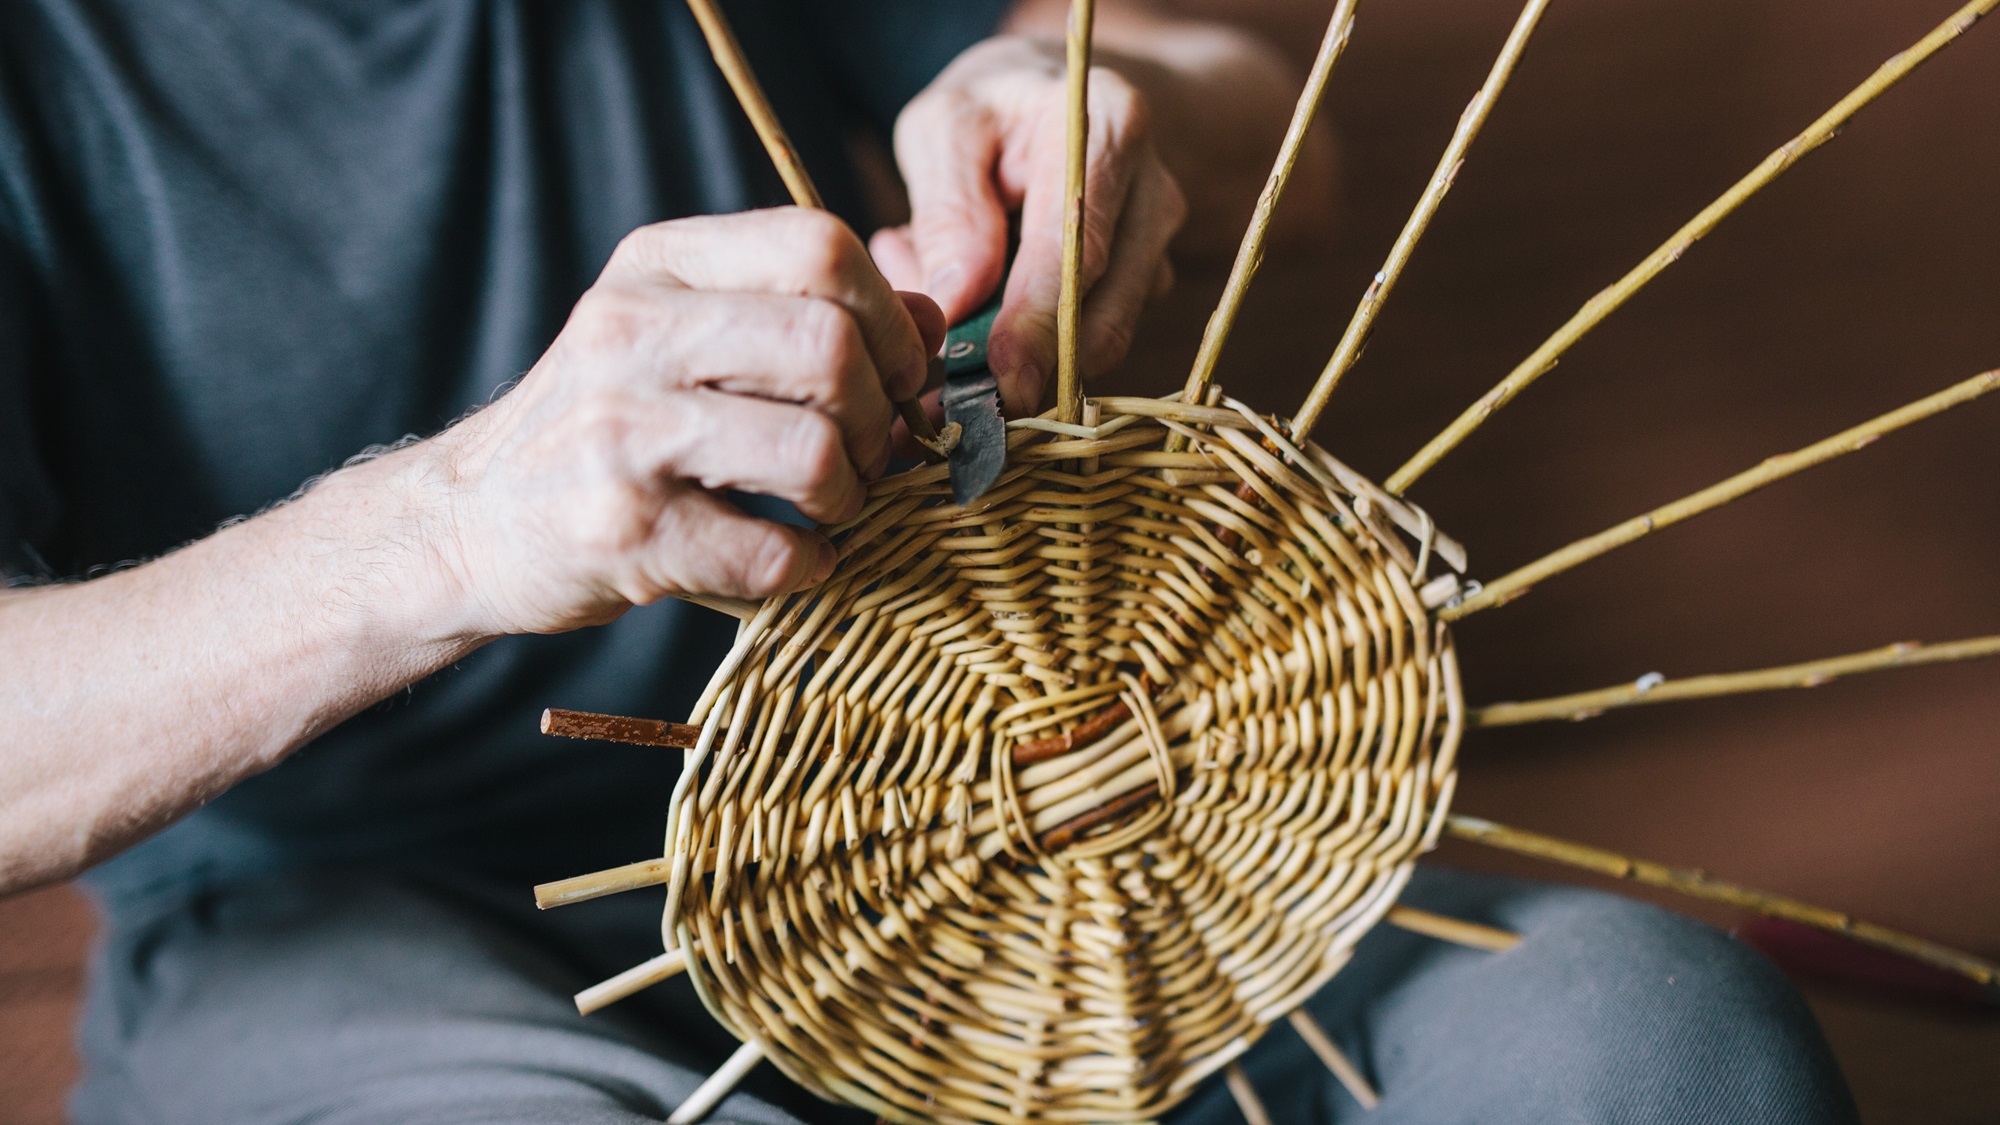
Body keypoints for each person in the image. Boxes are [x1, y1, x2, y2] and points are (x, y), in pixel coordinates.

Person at [0, 1, 1858, 1121]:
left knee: (1659, 1045)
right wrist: (456, 520)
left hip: (1018, 803)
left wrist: (1089, 83)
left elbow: (1269, 116)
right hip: (390, 925)